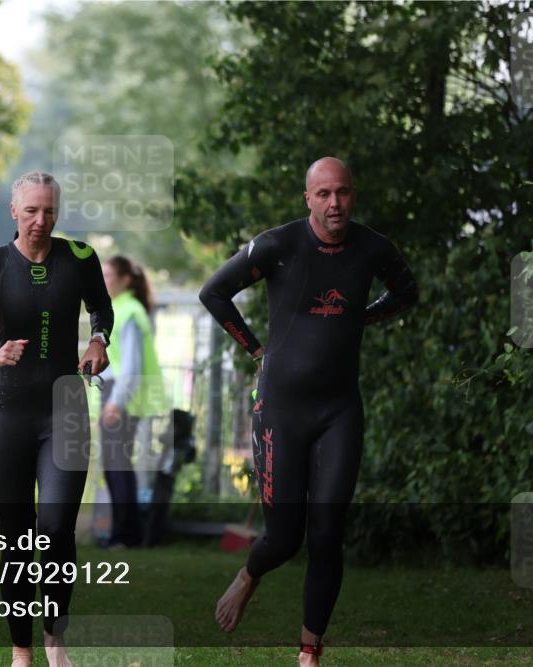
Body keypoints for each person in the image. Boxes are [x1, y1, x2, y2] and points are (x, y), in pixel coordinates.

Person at [199, 157, 418, 665]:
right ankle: (249, 574)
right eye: (323, 194)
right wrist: (255, 350)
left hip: (340, 411)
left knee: (327, 534)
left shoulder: (372, 248)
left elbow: (407, 292)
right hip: (280, 410)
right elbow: (214, 292)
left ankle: (309, 652)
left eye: (341, 193)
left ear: (353, 195)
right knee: (282, 538)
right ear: (308, 199)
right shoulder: (278, 246)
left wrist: (362, 317)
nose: (334, 203)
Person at [0, 171, 112, 667]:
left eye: (49, 211)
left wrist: (100, 339)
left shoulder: (80, 258)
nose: (41, 220)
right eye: (31, 210)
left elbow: (102, 308)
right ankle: (21, 651)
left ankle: (56, 644)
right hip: (6, 414)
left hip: (66, 409)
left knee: (57, 529)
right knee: (17, 538)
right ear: (13, 211)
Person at [99, 255, 168, 549]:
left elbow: (130, 365)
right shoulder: (121, 308)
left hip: (123, 397)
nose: (104, 281)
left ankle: (123, 536)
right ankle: (125, 533)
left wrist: (116, 402)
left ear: (126, 279)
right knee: (116, 465)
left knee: (116, 466)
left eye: (109, 276)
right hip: (121, 395)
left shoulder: (127, 311)